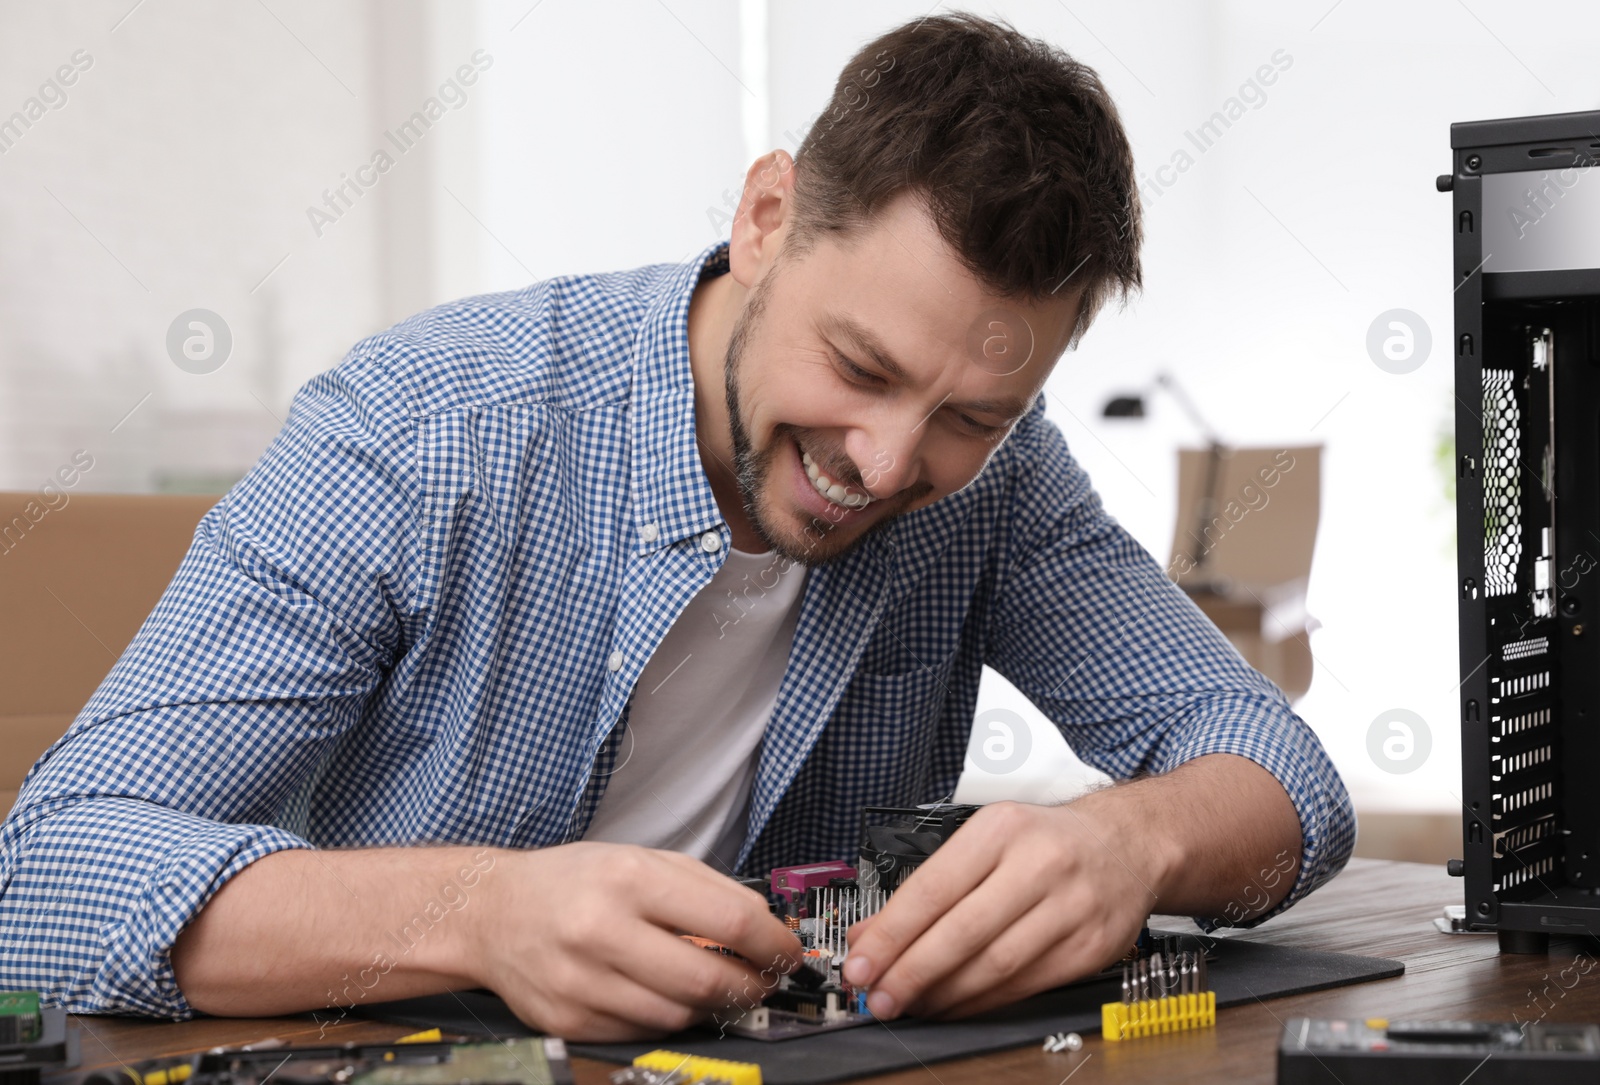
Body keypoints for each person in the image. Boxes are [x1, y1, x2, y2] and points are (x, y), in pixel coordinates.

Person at [0, 13, 1353, 1041]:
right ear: (766, 219)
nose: (885, 462)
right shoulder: (419, 429)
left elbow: (1281, 770)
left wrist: (1132, 841)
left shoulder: (999, 485)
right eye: (862, 367)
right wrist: (480, 915)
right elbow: (45, 876)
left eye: (970, 414)